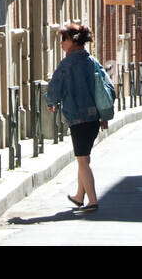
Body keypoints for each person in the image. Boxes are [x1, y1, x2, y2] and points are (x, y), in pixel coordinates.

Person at [45, 23, 109, 212]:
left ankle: (93, 200)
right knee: (84, 158)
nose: (61, 44)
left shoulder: (67, 64)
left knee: (82, 160)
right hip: (93, 118)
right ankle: (79, 196)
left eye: (62, 40)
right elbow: (106, 88)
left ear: (72, 41)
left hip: (78, 118)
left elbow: (55, 87)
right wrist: (104, 115)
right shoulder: (93, 62)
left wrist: (51, 102)